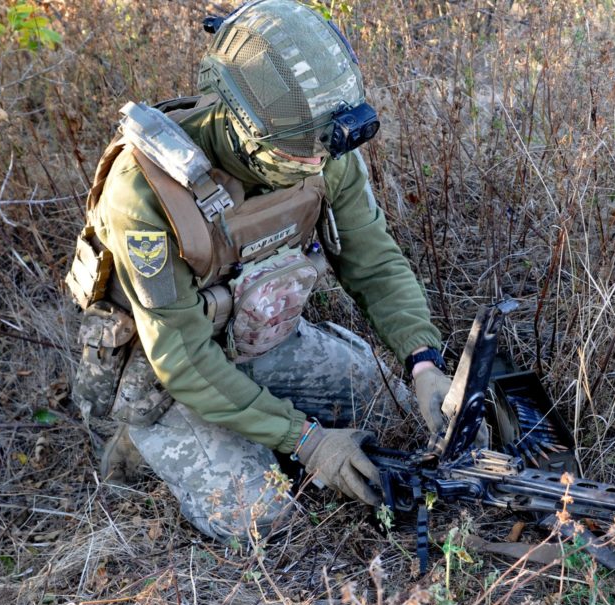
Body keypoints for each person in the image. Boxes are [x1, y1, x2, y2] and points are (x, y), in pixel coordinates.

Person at [66, 0, 468, 542]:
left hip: (260, 339)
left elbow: (372, 259)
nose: (313, 165)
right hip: (168, 377)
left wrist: (423, 362)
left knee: (385, 400)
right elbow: (182, 360)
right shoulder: (145, 191)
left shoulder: (323, 145)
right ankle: (136, 439)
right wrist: (308, 442)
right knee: (262, 516)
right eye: (295, 154)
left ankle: (264, 419)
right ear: (240, 124)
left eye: (318, 152)